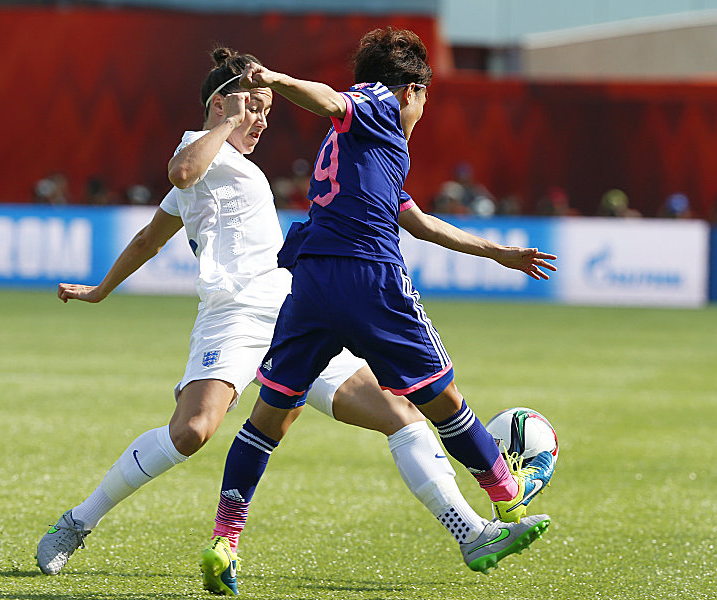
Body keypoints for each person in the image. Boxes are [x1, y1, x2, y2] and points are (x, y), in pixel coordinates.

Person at [34, 47, 504, 581]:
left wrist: (102, 289)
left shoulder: (230, 166)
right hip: (232, 318)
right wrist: (228, 117)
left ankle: (471, 530)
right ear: (220, 104)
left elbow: (148, 238)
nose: (259, 120)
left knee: (400, 415)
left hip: (294, 314)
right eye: (252, 107)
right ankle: (76, 523)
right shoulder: (197, 149)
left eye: (265, 111)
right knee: (191, 432)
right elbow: (183, 172)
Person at [201, 28, 558, 595]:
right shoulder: (378, 104)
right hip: (368, 277)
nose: (419, 111)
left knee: (269, 417)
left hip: (312, 283)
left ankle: (225, 538)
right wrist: (277, 80)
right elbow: (332, 100)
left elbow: (419, 222)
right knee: (443, 399)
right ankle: (508, 501)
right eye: (424, 100)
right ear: (413, 90)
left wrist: (500, 253)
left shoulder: (365, 151)